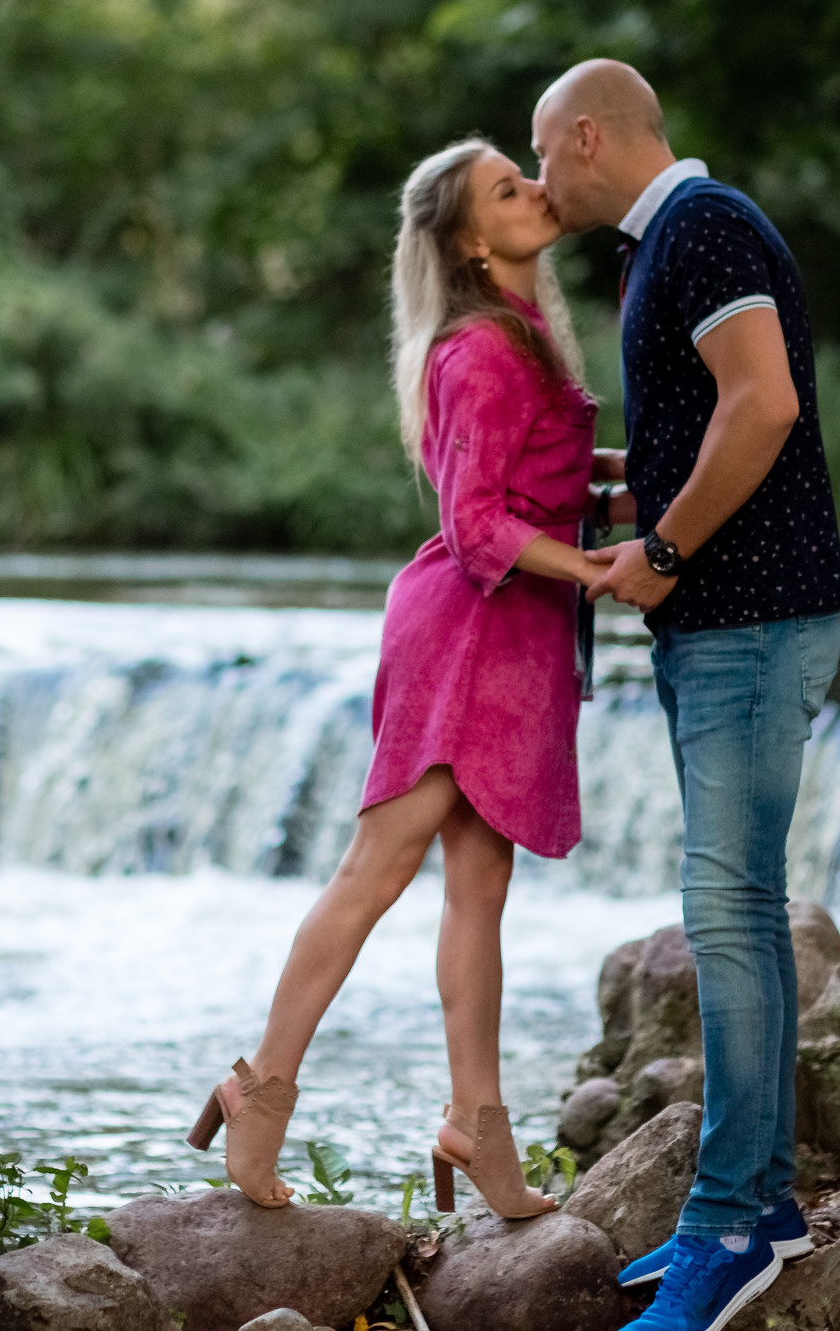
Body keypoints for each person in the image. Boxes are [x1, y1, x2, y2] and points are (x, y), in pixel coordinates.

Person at [189, 137, 616, 1218]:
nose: (533, 189)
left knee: (480, 888)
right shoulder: (478, 349)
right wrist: (601, 570)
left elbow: (539, 475)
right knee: (375, 871)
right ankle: (259, 1092)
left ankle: (477, 1124)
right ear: (473, 240)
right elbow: (474, 524)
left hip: (514, 642)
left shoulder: (527, 335)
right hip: (466, 630)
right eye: (506, 190)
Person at [534, 60, 840, 1331]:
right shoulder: (667, 238)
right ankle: (761, 1203)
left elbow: (764, 403)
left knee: (725, 910)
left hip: (748, 620)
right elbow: (716, 413)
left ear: (590, 135)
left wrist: (660, 552)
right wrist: (621, 481)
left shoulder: (703, 224)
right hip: (735, 618)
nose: (538, 177)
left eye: (541, 153)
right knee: (745, 908)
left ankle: (729, 1222)